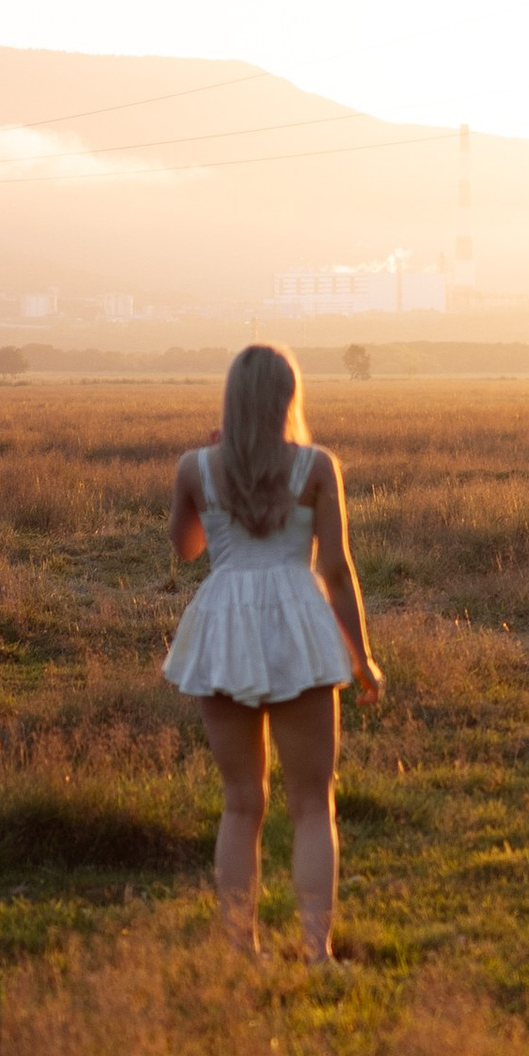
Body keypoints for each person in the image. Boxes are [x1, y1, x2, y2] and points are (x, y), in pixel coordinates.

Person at [163, 343, 381, 961]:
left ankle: (241, 954)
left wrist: (211, 473)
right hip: (299, 628)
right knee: (314, 804)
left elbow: (186, 548)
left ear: (231, 399)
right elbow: (337, 572)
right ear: (289, 396)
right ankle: (317, 957)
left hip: (224, 628)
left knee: (241, 803)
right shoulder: (315, 465)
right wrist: (361, 659)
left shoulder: (194, 467)